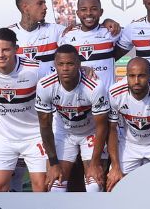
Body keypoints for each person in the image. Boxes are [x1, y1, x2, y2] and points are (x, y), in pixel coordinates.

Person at [0, 27, 48, 193]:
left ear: (16, 49)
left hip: (34, 136)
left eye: (6, 50)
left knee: (41, 187)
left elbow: (62, 78)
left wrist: (83, 69)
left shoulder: (36, 69)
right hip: (3, 137)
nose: (1, 55)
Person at [36, 44, 109, 193]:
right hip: (64, 133)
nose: (65, 68)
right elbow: (45, 127)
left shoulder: (95, 86)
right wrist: (53, 162)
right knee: (55, 186)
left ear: (79, 64)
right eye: (61, 64)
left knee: (94, 185)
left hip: (90, 132)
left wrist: (95, 163)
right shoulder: (45, 86)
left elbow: (102, 126)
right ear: (55, 65)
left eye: (70, 64)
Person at [106, 57, 150, 186]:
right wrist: (115, 166)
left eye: (141, 76)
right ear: (126, 76)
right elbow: (111, 129)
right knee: (114, 184)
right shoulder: (115, 93)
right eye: (132, 76)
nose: (136, 81)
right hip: (129, 145)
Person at [62, 0, 121, 92]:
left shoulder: (110, 32)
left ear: (101, 12)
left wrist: (108, 21)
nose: (88, 13)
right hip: (80, 100)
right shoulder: (68, 36)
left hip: (106, 98)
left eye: (93, 9)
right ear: (78, 13)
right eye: (84, 9)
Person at [8, 0, 65, 77]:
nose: (45, 7)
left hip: (50, 89)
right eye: (40, 3)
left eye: (44, 3)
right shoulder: (7, 34)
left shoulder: (56, 31)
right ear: (25, 7)